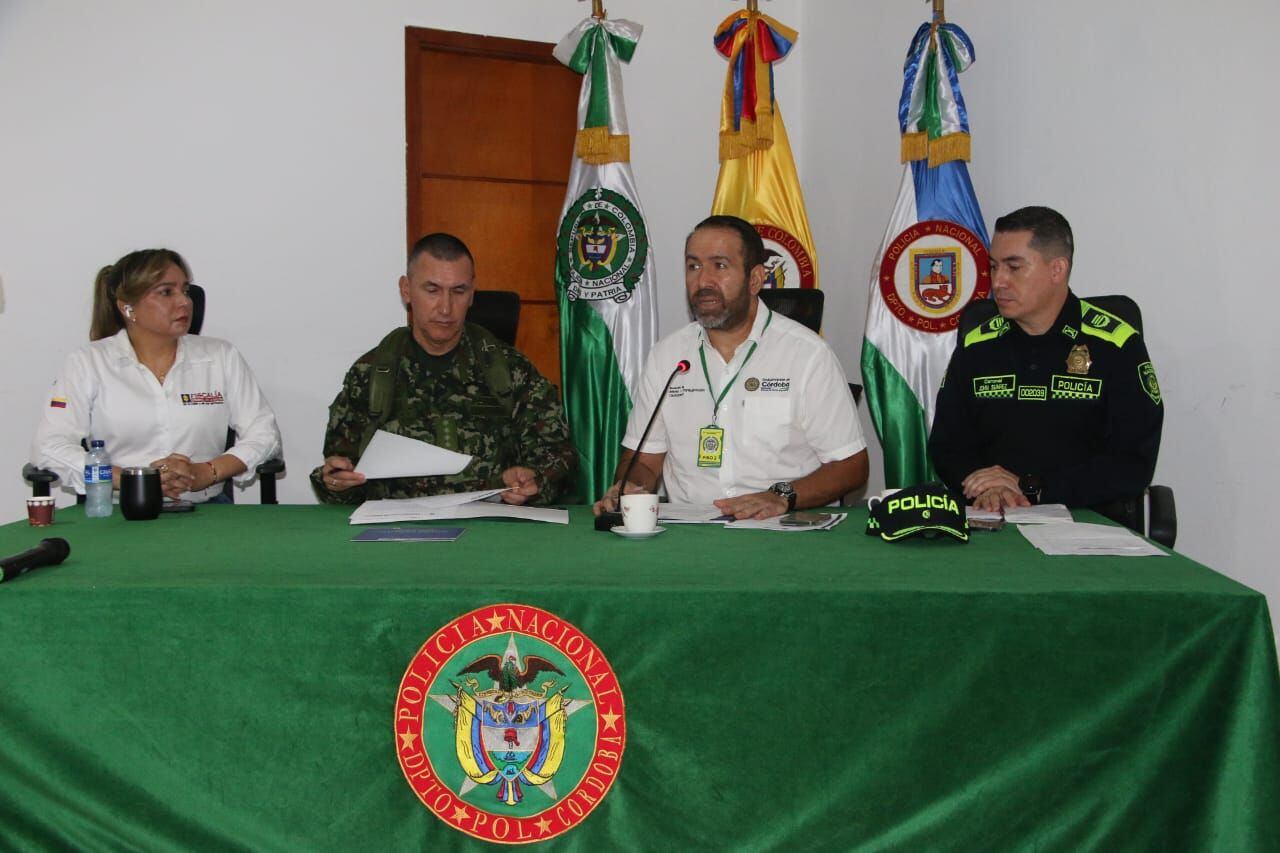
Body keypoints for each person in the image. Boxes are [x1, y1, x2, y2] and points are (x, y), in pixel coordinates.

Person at [592, 215, 869, 520]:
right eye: (693, 266)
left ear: (755, 279)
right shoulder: (667, 357)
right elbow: (642, 461)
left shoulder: (806, 355)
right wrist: (630, 485)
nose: (703, 281)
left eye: (719, 266)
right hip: (690, 530)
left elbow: (851, 466)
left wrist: (781, 496)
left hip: (780, 528)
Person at [929, 206, 1163, 511]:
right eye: (994, 266)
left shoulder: (1115, 345)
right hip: (990, 520)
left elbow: (1132, 462)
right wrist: (987, 488)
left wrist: (1034, 488)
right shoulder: (978, 344)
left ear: (1057, 270)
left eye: (1014, 267)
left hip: (1085, 524)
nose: (998, 281)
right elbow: (947, 445)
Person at [313, 233, 575, 505]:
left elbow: (559, 458)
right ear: (406, 290)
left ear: (472, 294)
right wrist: (336, 482)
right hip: (396, 532)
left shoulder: (510, 372)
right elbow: (341, 470)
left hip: (489, 530)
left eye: (458, 291)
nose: (446, 307)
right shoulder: (370, 375)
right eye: (432, 290)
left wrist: (533, 480)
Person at [31, 249, 282, 502]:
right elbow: (50, 447)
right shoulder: (88, 362)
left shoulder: (221, 356)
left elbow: (264, 434)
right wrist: (131, 478)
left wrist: (207, 472)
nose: (184, 302)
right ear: (128, 309)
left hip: (207, 508)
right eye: (166, 292)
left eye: (185, 290)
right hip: (120, 510)